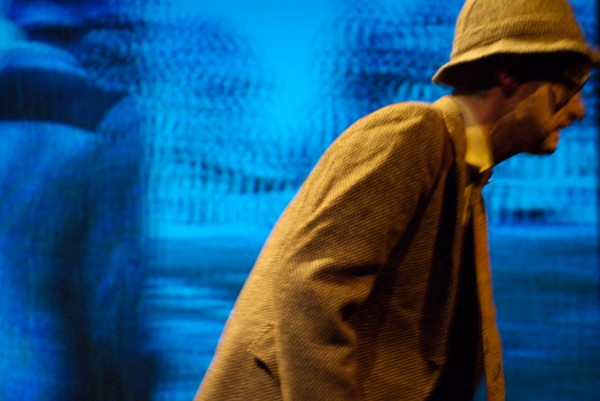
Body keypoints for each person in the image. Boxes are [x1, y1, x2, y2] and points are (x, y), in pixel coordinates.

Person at [194, 0, 598, 400]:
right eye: (570, 84)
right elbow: (312, 288)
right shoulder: (414, 133)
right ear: (509, 75)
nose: (579, 109)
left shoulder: (466, 175)